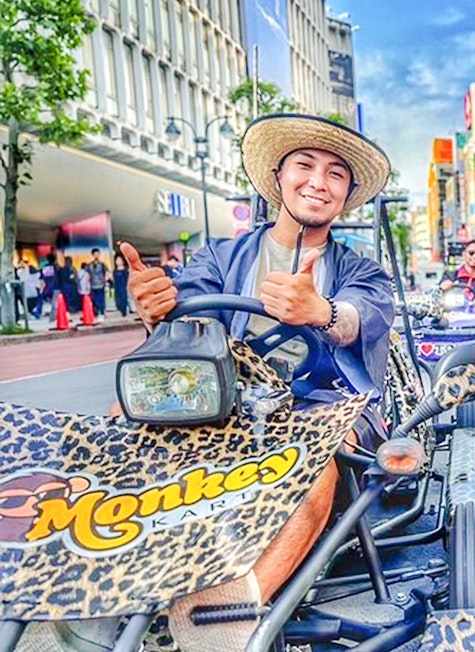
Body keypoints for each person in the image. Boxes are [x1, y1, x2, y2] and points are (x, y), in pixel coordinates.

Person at [121, 113, 394, 612]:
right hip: (224, 400)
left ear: (347, 193)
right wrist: (154, 308)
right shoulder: (220, 257)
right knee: (128, 424)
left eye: (335, 173)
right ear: (278, 179)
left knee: (317, 454)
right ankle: (118, 576)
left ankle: (234, 607)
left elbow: (361, 317)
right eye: (305, 166)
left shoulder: (362, 270)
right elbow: (180, 315)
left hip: (325, 405)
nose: (317, 182)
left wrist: (322, 311)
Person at [439, 239, 475, 306]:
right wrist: (442, 287)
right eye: (471, 253)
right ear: (464, 254)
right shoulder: (449, 276)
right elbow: (437, 295)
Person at [87, 247, 109, 320]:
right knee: (94, 300)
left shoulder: (102, 265)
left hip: (101, 285)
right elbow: (87, 275)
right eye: (95, 254)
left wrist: (105, 282)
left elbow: (107, 273)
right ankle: (96, 312)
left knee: (101, 300)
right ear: (93, 255)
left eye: (98, 254)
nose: (96, 256)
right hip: (92, 285)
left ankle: (102, 312)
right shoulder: (89, 265)